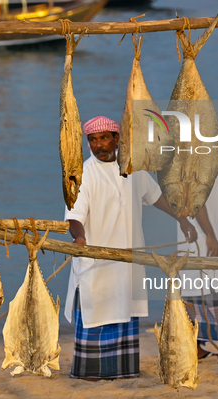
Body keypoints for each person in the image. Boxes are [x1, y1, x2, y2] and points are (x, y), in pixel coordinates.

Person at [64, 115, 197, 380]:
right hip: (96, 261)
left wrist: (182, 220)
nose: (99, 144)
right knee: (96, 311)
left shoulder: (134, 169)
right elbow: (74, 217)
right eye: (92, 140)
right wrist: (79, 239)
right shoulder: (82, 174)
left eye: (104, 138)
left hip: (130, 260)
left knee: (125, 310)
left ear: (117, 139)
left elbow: (158, 198)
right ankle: (90, 373)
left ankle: (123, 371)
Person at [177, 172, 218, 359]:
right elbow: (195, 202)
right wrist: (211, 235)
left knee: (194, 294)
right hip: (203, 238)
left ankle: (197, 348)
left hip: (199, 237)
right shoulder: (193, 165)